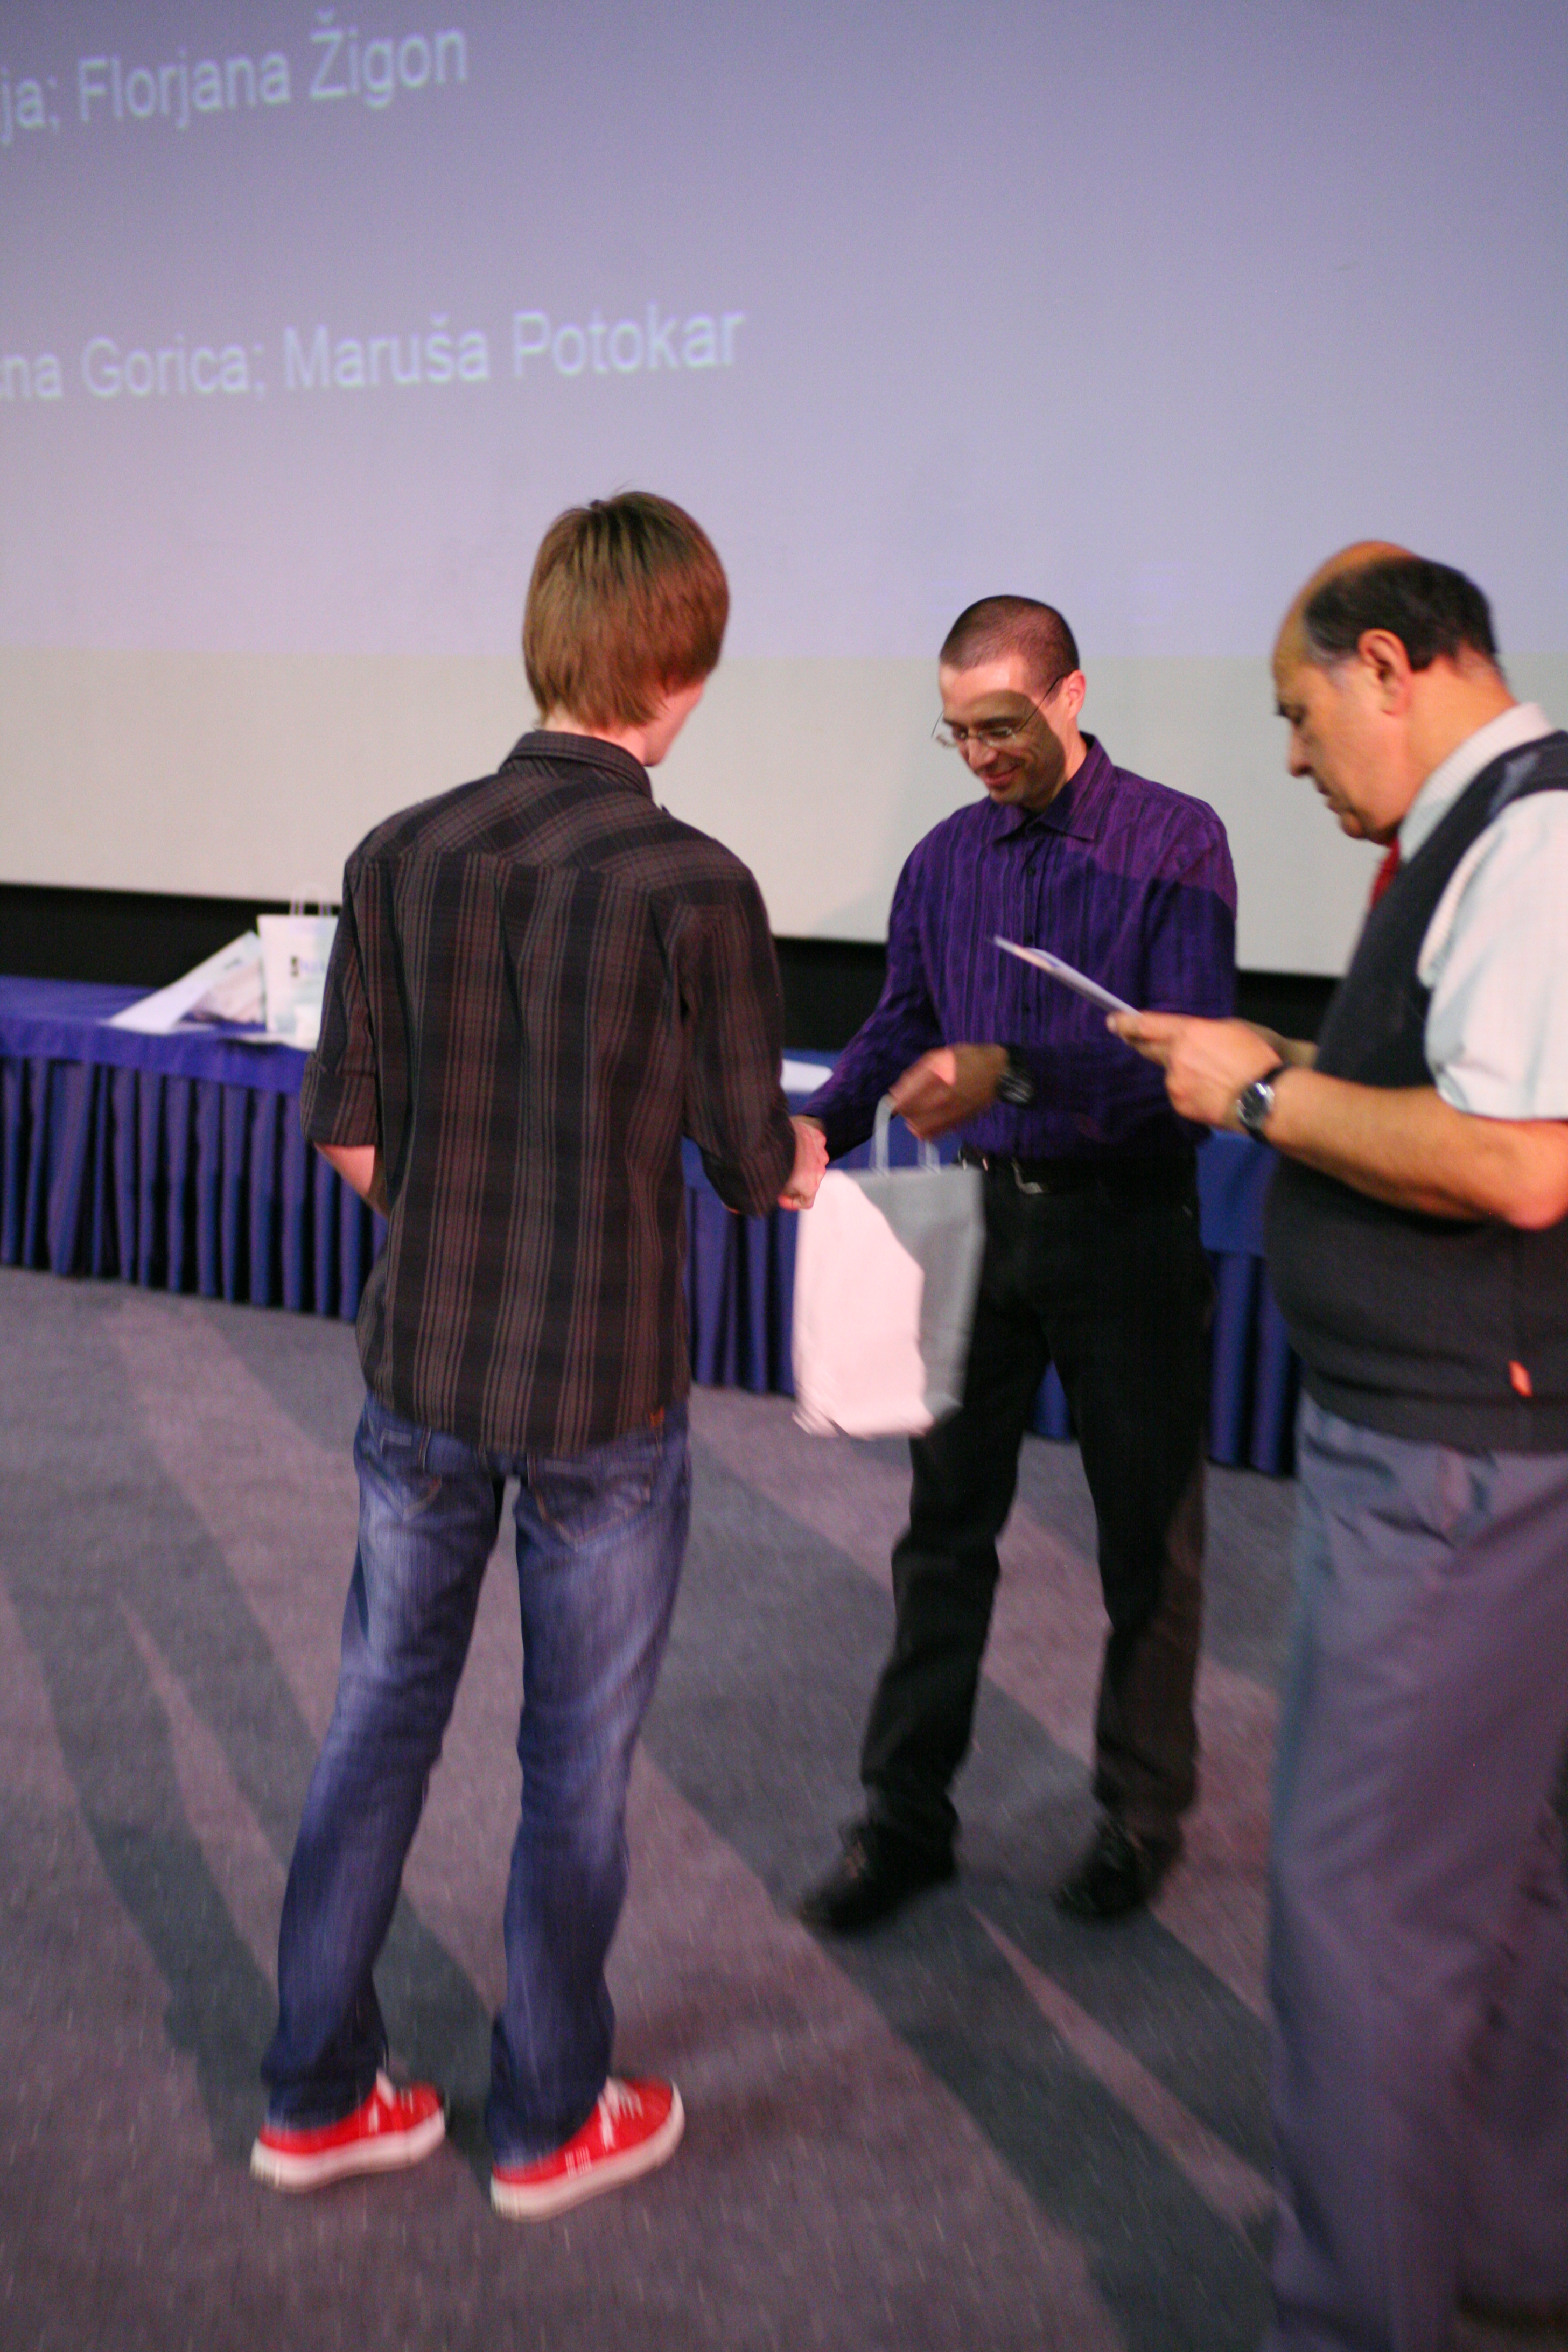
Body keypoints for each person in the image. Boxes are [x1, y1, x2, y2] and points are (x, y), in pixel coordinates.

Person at [249, 492, 827, 2220]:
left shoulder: (396, 852)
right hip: (603, 1401)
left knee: (374, 1726)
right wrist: (800, 1158)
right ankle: (546, 2120)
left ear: (545, 643)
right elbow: (752, 1167)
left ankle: (313, 2097)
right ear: (688, 668)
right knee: (572, 1768)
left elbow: (348, 1134)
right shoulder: (696, 887)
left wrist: (451, 1220)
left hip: (421, 1375)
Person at [1116, 546, 1568, 2350]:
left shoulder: (1529, 838)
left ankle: (1360, 2312)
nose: (1294, 758)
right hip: (1483, 1447)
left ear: (1390, 664)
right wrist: (1289, 1058)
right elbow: (1471, 1090)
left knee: (1362, 1905)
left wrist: (1259, 1090)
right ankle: (1506, 2246)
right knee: (1503, 1870)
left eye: (1300, 715)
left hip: (1450, 1461)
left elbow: (1521, 1161)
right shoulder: (1494, 835)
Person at [797, 594, 1238, 1933]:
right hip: (980, 1225)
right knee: (942, 1536)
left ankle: (1139, 1817)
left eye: (1000, 726)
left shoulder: (1175, 841)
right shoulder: (944, 859)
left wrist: (1017, 1069)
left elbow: (1192, 1072)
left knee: (1145, 1544)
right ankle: (904, 1820)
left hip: (1128, 1225)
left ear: (1069, 697)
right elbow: (899, 1023)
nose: (981, 755)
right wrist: (819, 1124)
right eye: (957, 733)